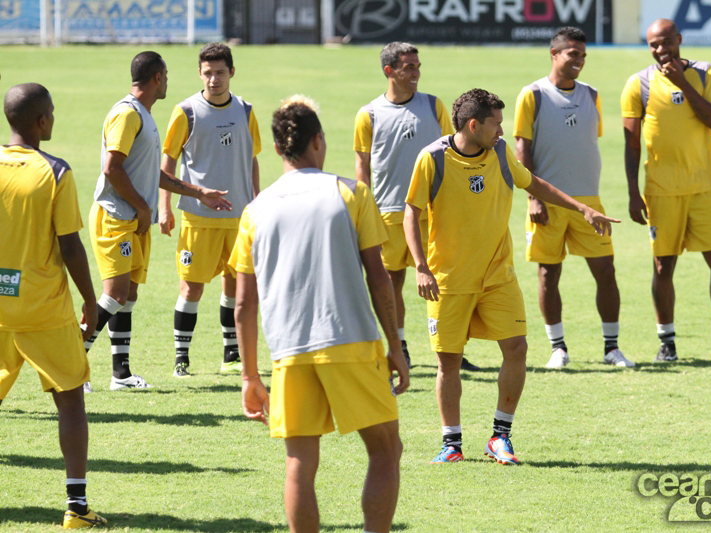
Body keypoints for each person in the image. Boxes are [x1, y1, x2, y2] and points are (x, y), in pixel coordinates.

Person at [404, 88, 618, 464]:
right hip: (449, 279)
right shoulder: (432, 158)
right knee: (448, 362)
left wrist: (582, 209)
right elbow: (412, 212)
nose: (502, 131)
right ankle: (451, 444)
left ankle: (500, 437)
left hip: (497, 275)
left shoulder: (500, 153)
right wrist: (421, 267)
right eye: (496, 124)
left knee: (517, 349)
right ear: (474, 125)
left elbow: (534, 183)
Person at [231, 95, 409, 533]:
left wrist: (249, 375)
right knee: (385, 449)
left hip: (288, 351)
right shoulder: (351, 193)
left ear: (277, 149)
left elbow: (243, 305)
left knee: (299, 463)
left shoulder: (255, 211)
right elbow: (379, 278)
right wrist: (396, 345)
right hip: (351, 342)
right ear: (318, 141)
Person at [83, 51, 232, 391]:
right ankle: (72, 362)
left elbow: (152, 174)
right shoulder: (127, 114)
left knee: (129, 295)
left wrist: (198, 192)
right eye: (166, 76)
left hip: (134, 220)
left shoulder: (144, 114)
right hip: (115, 216)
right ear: (157, 77)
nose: (167, 82)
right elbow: (112, 169)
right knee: (115, 294)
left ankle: (121, 374)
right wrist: (142, 207)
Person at [0, 83, 106, 528]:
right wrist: (90, 300)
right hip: (43, 308)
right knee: (70, 399)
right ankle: (77, 508)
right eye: (53, 113)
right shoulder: (56, 172)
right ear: (42, 121)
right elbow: (70, 246)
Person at [621, 19, 711, 365]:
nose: (660, 49)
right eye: (653, 44)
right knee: (663, 266)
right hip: (662, 192)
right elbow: (631, 144)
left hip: (704, 187)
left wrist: (682, 83)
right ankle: (667, 344)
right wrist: (633, 193)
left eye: (666, 41)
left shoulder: (704, 73)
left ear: (679, 39)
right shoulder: (639, 84)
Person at [354, 42, 480, 371]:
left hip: (434, 212)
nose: (416, 72)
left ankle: (452, 348)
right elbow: (362, 166)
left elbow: (454, 152)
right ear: (389, 71)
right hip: (389, 213)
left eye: (418, 66)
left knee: (446, 282)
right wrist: (365, 210)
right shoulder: (369, 114)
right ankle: (400, 347)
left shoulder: (433, 105)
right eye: (408, 67)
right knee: (390, 283)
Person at [514, 27, 634, 369]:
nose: (579, 60)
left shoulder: (591, 94)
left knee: (606, 270)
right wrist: (533, 197)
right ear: (555, 54)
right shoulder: (533, 94)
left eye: (583, 55)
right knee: (548, 274)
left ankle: (611, 348)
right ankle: (558, 349)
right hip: (547, 200)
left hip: (589, 201)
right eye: (573, 54)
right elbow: (522, 146)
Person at [159, 42, 261, 378]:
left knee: (235, 285)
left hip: (239, 218)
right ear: (199, 74)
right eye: (208, 73)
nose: (214, 79)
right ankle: (181, 358)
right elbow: (167, 163)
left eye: (220, 72)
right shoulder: (186, 111)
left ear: (232, 72)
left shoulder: (245, 111)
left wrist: (257, 201)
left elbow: (252, 159)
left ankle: (231, 355)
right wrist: (165, 208)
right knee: (192, 287)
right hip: (198, 218)